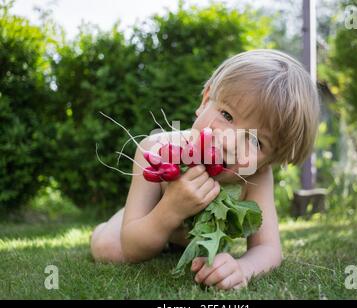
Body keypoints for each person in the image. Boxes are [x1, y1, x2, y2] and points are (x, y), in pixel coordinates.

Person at [90, 49, 320, 290]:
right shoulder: (156, 149)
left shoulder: (256, 176)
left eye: (255, 142)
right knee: (110, 249)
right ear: (205, 100)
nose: (229, 142)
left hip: (195, 244)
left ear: (269, 161)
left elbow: (269, 249)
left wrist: (242, 268)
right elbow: (132, 247)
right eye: (226, 115)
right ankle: (104, 227)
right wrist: (171, 208)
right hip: (146, 220)